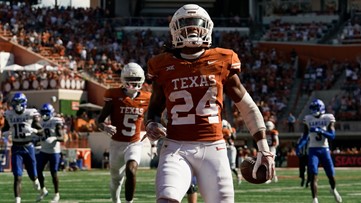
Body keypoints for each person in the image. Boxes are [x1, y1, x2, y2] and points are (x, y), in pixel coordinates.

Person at [144, 4, 275, 203]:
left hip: (214, 147)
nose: (193, 29)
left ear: (208, 27)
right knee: (166, 199)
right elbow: (153, 109)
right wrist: (151, 124)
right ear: (174, 30)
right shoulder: (162, 65)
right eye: (186, 24)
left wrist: (264, 147)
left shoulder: (222, 59)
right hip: (176, 147)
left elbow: (247, 107)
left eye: (197, 24)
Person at [96, 62, 151, 203]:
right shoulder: (113, 95)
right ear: (123, 80)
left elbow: (151, 120)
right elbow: (99, 120)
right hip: (116, 144)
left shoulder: (147, 98)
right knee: (116, 180)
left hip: (134, 143)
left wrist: (154, 140)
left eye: (136, 80)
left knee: (131, 171)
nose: (133, 83)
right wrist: (105, 127)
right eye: (130, 80)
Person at [296, 99, 342, 203]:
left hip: (324, 149)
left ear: (321, 108)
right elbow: (305, 136)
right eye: (312, 108)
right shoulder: (308, 119)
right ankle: (315, 199)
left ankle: (333, 189)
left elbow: (332, 136)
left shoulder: (328, 118)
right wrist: (299, 146)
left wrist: (320, 130)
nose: (313, 110)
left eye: (315, 108)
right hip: (313, 149)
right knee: (313, 173)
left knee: (331, 175)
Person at [1, 92, 44, 203]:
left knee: (33, 175)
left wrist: (33, 130)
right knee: (17, 176)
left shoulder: (30, 113)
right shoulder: (9, 114)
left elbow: (41, 132)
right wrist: (5, 133)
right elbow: (5, 128)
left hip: (28, 146)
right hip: (16, 148)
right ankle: (17, 200)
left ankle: (37, 183)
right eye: (15, 103)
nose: (16, 105)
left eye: (18, 103)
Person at [36, 103, 65, 203]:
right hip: (43, 150)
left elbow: (62, 138)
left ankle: (57, 194)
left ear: (51, 113)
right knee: (38, 170)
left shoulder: (55, 121)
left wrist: (55, 138)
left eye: (46, 113)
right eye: (43, 113)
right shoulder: (39, 122)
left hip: (54, 151)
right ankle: (43, 190)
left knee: (54, 173)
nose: (44, 115)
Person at [222, 119, 242, 185]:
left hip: (230, 149)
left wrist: (230, 131)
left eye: (224, 126)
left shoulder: (230, 130)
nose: (223, 128)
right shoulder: (221, 131)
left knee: (232, 166)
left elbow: (233, 138)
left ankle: (238, 176)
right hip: (223, 149)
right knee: (224, 165)